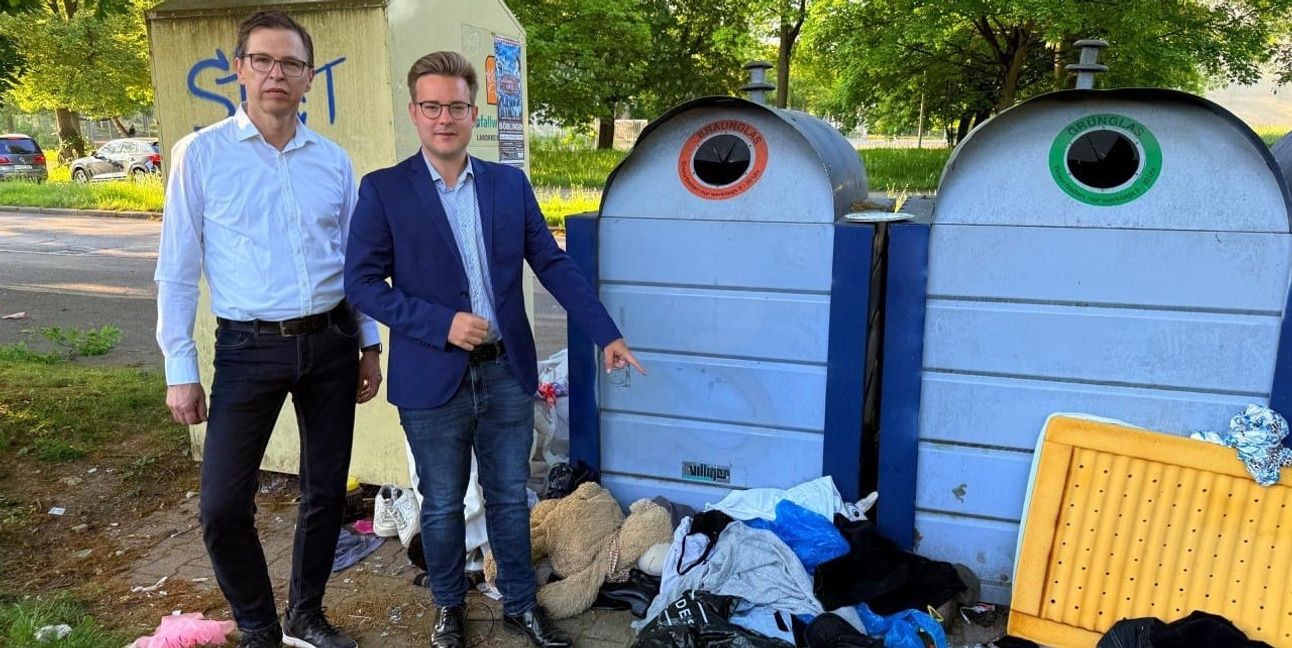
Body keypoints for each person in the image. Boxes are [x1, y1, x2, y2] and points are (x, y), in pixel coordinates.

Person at [344, 50, 645, 648]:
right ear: (414, 112)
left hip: (507, 371)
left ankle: (519, 605)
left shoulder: (507, 184)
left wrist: (604, 332)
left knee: (510, 498)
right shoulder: (383, 191)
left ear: (473, 109)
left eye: (456, 105)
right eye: (431, 106)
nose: (444, 117)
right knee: (442, 502)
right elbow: (360, 284)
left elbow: (552, 263)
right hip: (433, 378)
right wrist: (439, 324)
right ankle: (449, 608)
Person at [154, 11, 382, 648]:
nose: (276, 73)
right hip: (248, 348)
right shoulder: (200, 156)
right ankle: (257, 624)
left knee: (324, 493)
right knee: (223, 506)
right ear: (239, 69)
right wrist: (180, 367)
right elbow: (176, 270)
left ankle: (305, 616)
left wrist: (368, 343)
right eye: (263, 60)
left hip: (333, 341)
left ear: (310, 77)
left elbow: (353, 261)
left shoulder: (333, 162)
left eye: (290, 63)